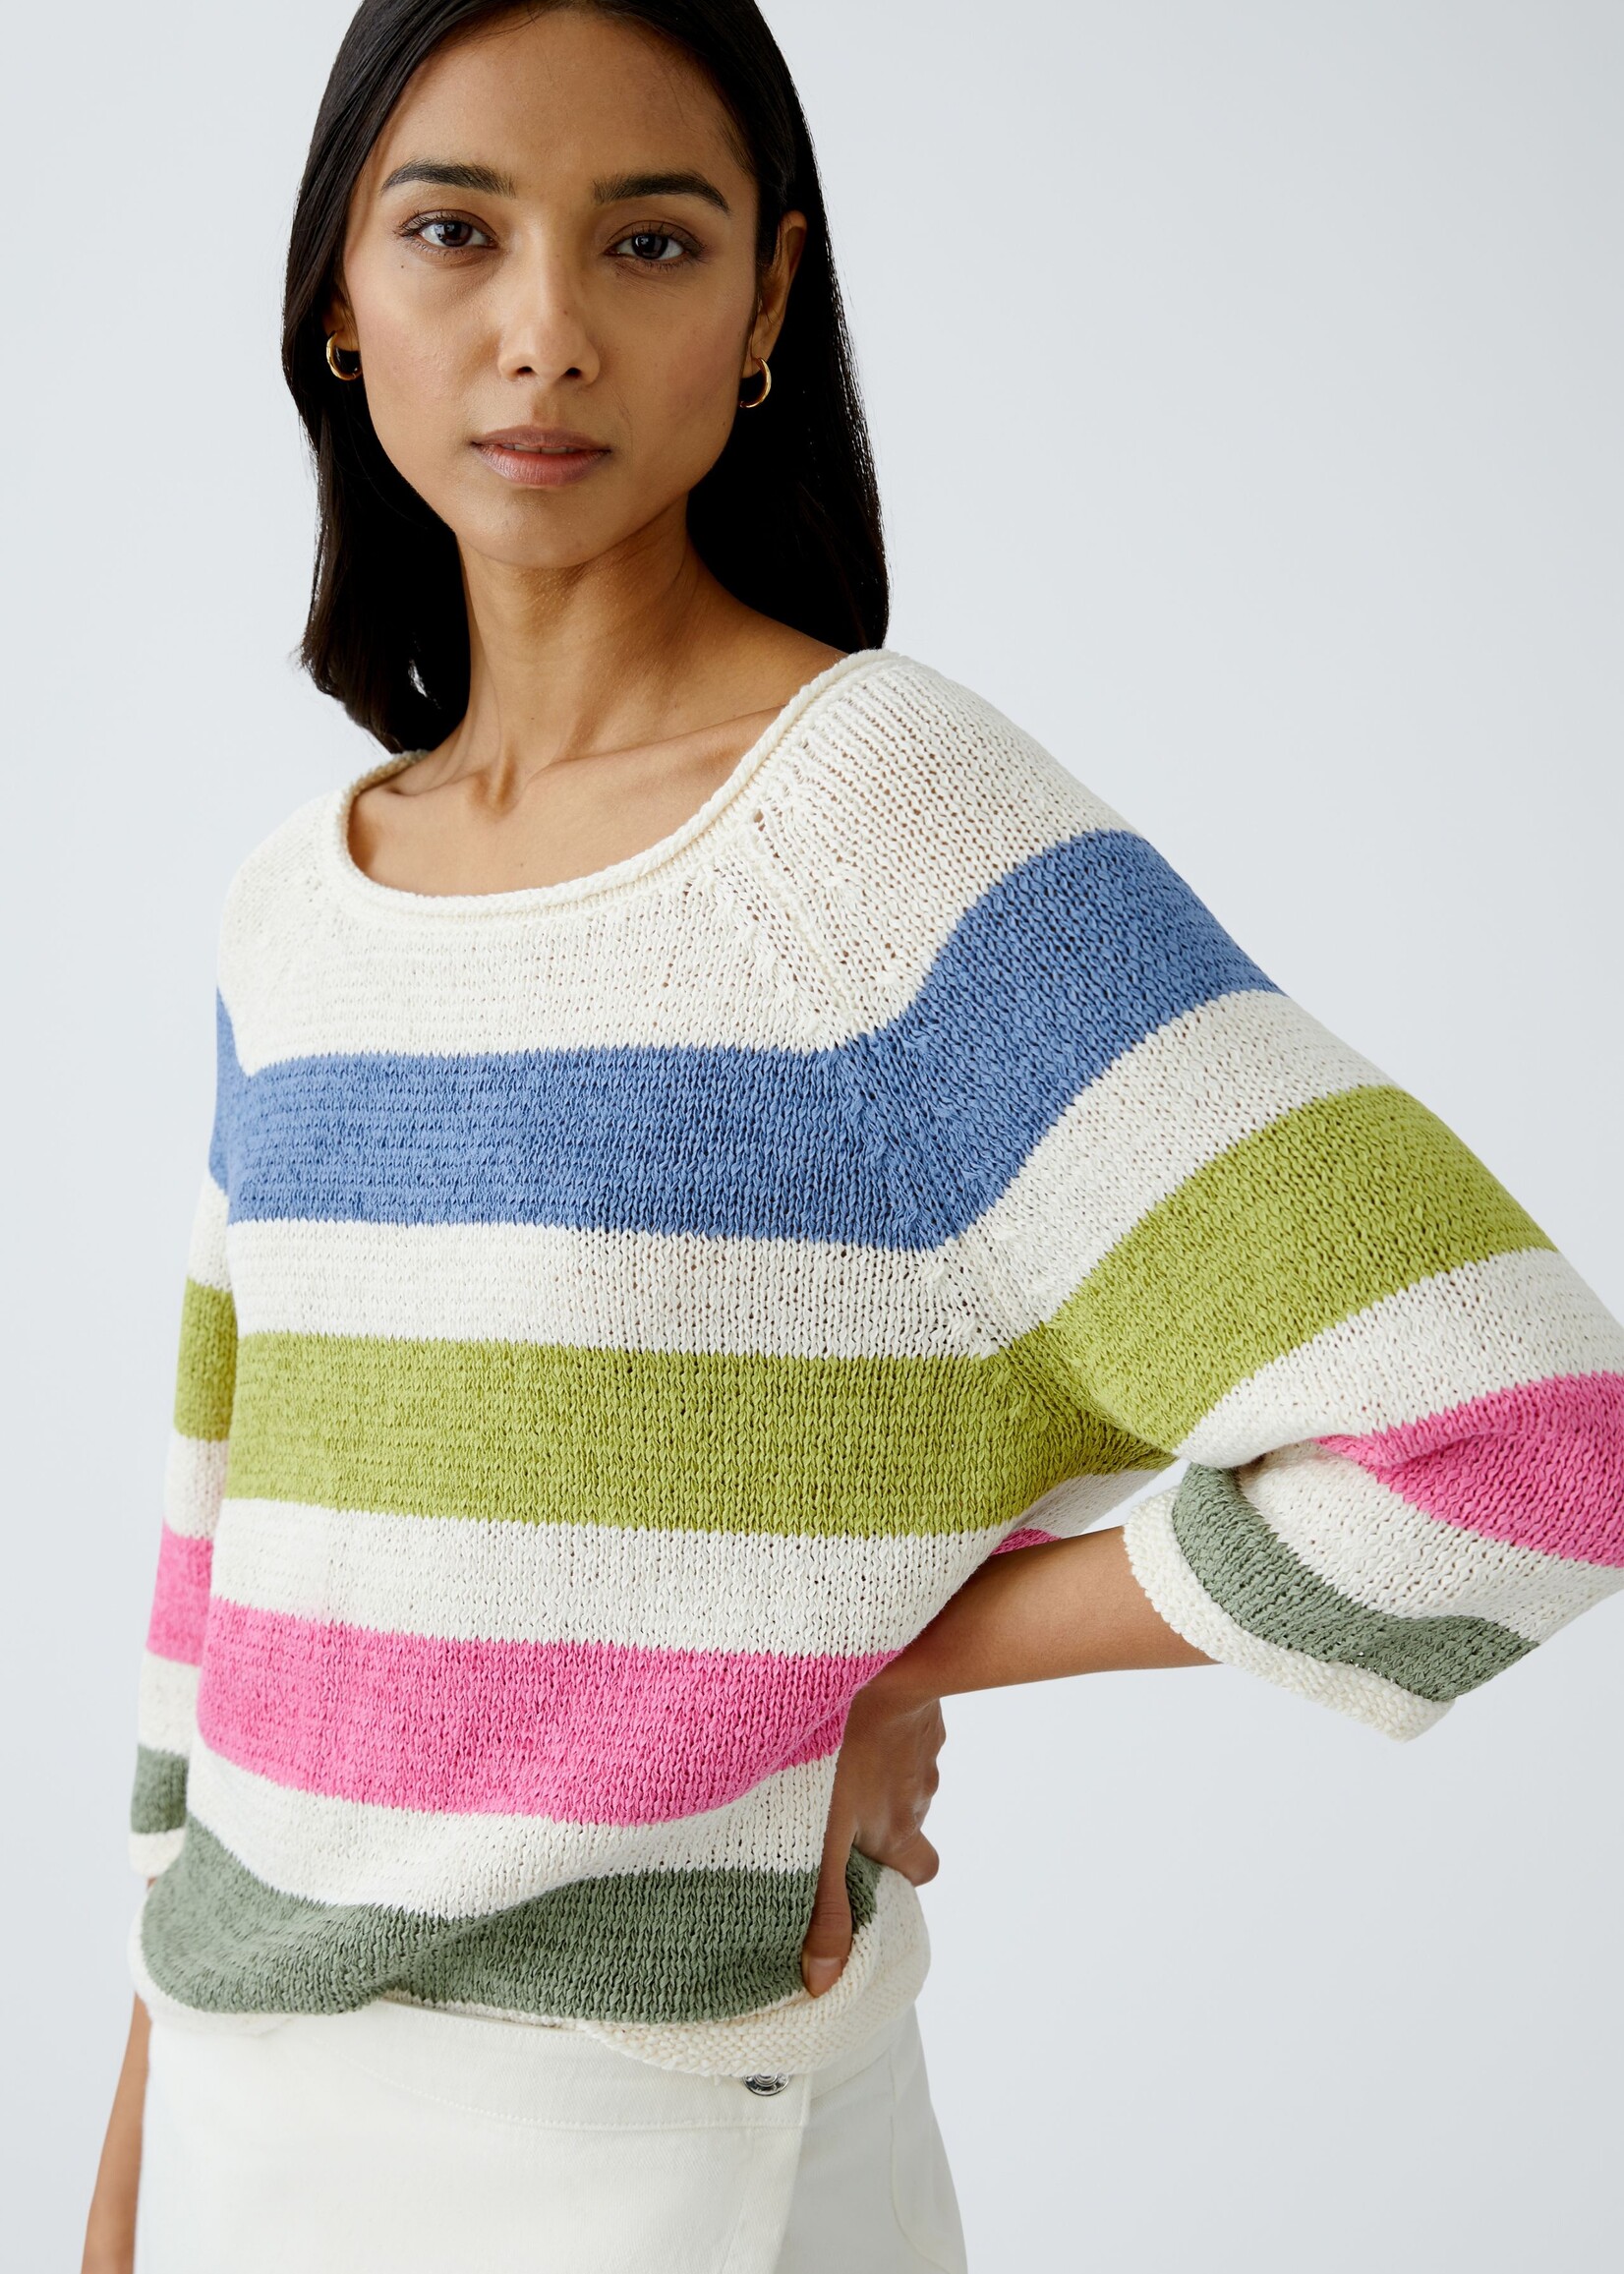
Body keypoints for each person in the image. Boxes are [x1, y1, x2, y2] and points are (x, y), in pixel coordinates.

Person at [81, 2, 1624, 2269]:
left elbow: (1528, 1439)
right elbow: (211, 1600)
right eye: (453, 231)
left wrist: (901, 1655)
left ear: (765, 304)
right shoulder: (296, 902)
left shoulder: (869, 824)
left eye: (649, 241)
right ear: (336, 292)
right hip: (247, 2126)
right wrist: (126, 2181)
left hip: (623, 2153)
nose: (544, 330)